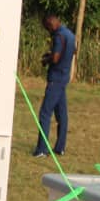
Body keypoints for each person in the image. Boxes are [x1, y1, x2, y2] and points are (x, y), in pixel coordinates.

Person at [32, 13, 76, 157]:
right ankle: (60, 148)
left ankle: (42, 150)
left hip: (55, 79)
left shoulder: (58, 36)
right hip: (64, 78)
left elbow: (56, 58)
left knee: (45, 114)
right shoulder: (69, 34)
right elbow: (73, 51)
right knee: (62, 115)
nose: (48, 31)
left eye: (47, 28)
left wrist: (47, 60)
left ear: (50, 24)